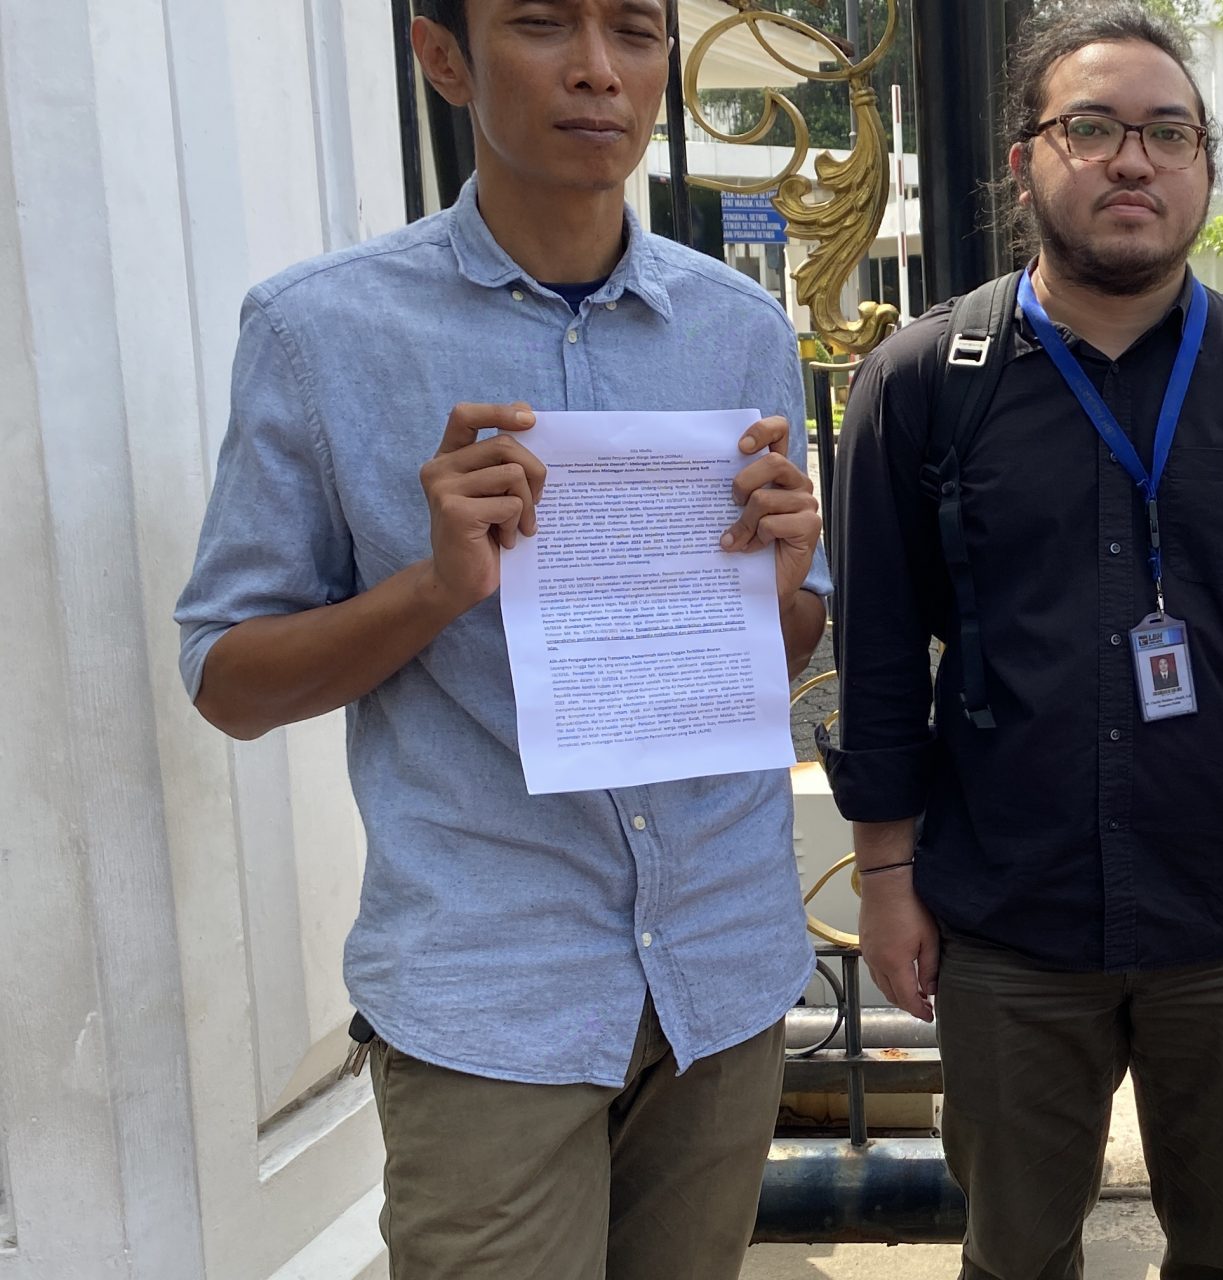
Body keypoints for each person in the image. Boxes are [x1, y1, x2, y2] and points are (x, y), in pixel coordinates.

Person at [170, 1, 826, 1274]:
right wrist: (435, 586)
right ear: (443, 57)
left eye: (634, 31)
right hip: (491, 991)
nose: (597, 70)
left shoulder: (736, 327)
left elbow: (775, 652)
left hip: (723, 972)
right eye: (540, 23)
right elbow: (227, 680)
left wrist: (779, 590)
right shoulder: (322, 331)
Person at [824, 4, 1223, 1276]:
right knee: (1015, 1248)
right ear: (1024, 159)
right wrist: (885, 879)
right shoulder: (922, 383)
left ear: (1204, 166)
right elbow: (878, 664)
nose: (1133, 161)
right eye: (1092, 128)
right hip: (1007, 922)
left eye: (1167, 133)